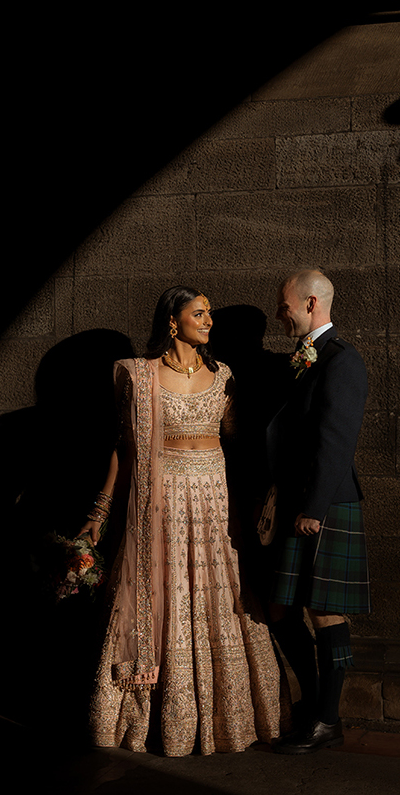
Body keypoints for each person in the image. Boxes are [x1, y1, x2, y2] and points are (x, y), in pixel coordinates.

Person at [81, 285, 285, 756]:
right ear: (173, 322)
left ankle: (229, 719)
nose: (209, 321)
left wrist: (258, 497)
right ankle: (148, 721)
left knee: (224, 599)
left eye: (209, 314)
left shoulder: (224, 375)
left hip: (214, 500)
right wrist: (100, 510)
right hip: (163, 502)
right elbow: (126, 448)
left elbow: (237, 442)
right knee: (163, 593)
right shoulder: (140, 375)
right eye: (199, 313)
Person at [262, 269, 369, 755]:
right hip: (297, 500)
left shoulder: (342, 360)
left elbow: (336, 440)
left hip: (322, 504)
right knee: (280, 609)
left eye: (285, 305)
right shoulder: (304, 358)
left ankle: (328, 720)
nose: (279, 313)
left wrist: (312, 508)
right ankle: (314, 705)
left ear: (309, 304)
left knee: (325, 612)